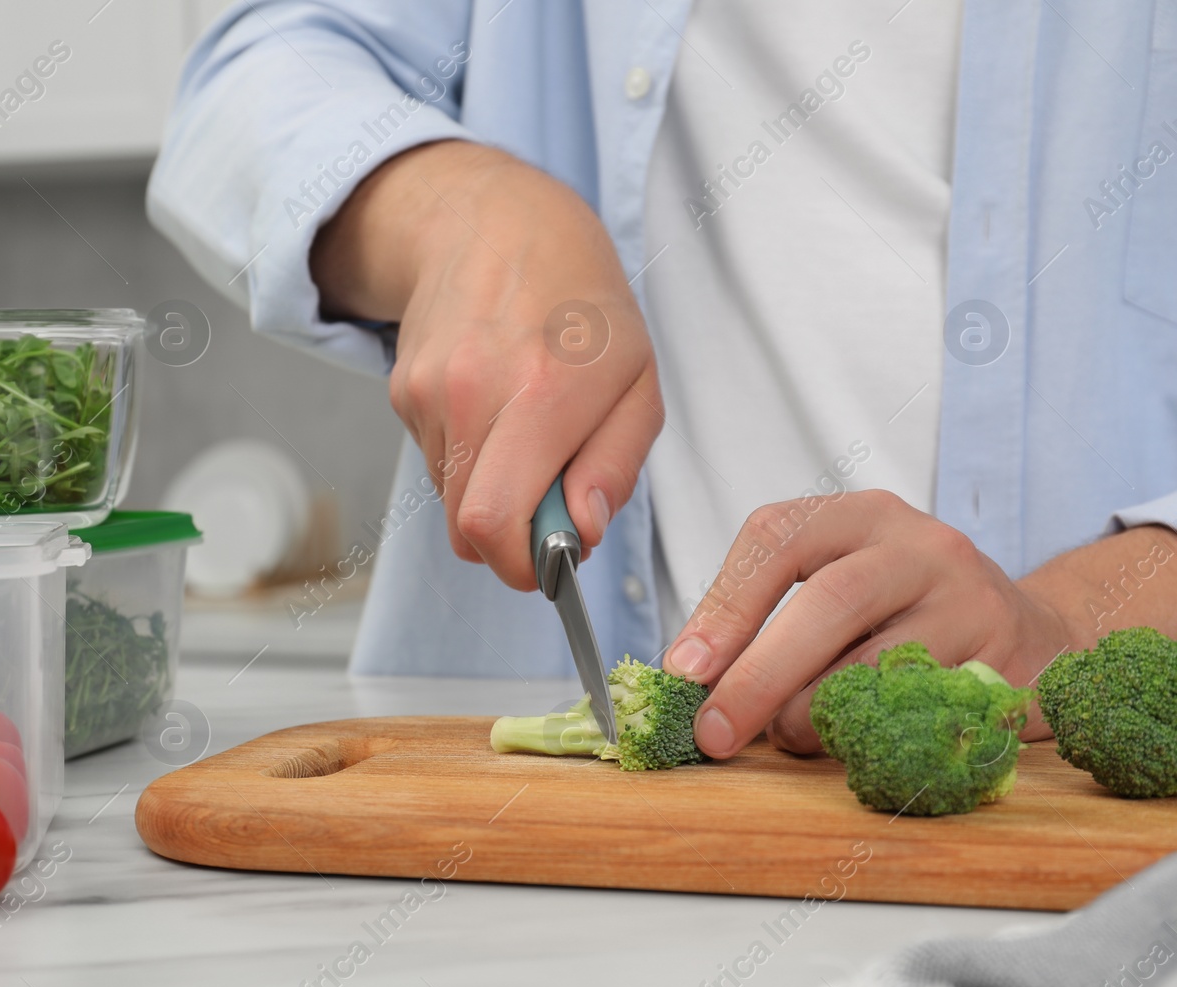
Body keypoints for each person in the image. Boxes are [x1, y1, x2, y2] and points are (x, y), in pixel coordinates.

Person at [148, 0, 1177, 760]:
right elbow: (253, 73)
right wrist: (451, 205)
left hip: (1091, 832)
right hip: (531, 863)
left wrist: (1072, 622)